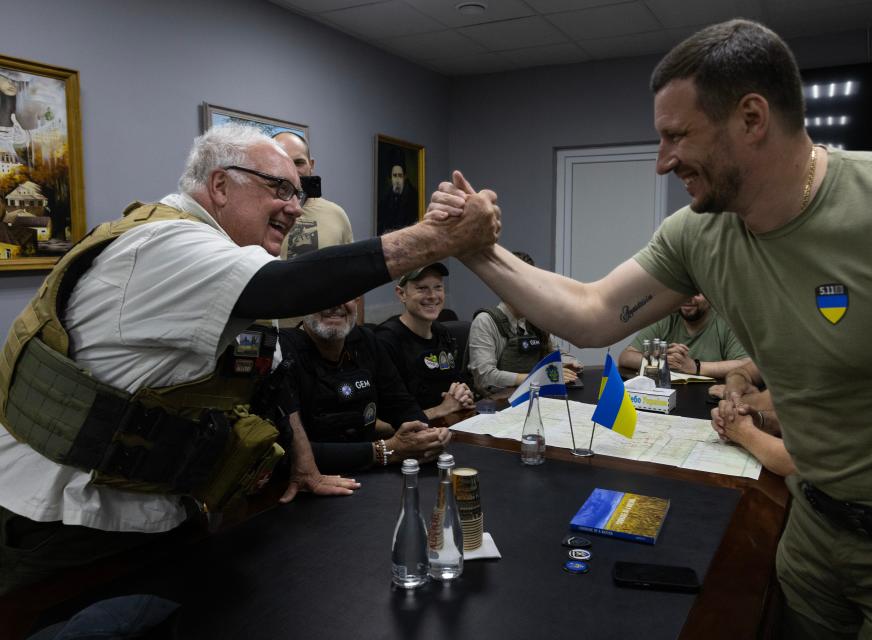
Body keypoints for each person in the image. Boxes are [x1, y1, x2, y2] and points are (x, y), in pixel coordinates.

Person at [428, 19, 872, 638]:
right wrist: (475, 249)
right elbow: (593, 313)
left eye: (677, 136)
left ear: (752, 118)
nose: (662, 162)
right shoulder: (700, 234)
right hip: (813, 536)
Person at [0, 123, 499, 594]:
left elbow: (268, 371)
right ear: (220, 185)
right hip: (66, 525)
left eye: (298, 194)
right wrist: (438, 239)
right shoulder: (167, 245)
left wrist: (303, 462)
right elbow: (293, 286)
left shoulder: (222, 264)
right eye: (280, 190)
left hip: (152, 510)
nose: (295, 209)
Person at [261, 297, 451, 473]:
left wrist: (425, 436)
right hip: (304, 486)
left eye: (346, 293)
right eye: (323, 293)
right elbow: (286, 451)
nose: (335, 303)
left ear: (357, 301)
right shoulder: (279, 352)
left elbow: (401, 404)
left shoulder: (366, 341)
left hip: (372, 480)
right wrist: (385, 450)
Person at [272, 131, 362, 326]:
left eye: (299, 162)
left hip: (322, 334)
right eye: (283, 161)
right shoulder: (257, 213)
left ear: (311, 165)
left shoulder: (336, 215)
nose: (292, 170)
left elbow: (353, 279)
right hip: (272, 338)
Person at [468, 251, 578, 395]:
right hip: (498, 403)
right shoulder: (485, 321)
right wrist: (538, 377)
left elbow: (560, 354)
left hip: (534, 396)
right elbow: (485, 378)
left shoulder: (534, 320)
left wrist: (565, 364)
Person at [375, 263, 475, 419]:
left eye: (438, 287)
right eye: (422, 288)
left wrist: (464, 395)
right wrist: (441, 409)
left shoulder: (442, 333)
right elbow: (384, 418)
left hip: (451, 425)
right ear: (401, 294)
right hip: (412, 437)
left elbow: (458, 384)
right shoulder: (386, 341)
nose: (433, 296)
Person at [618, 293, 750, 378]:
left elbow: (748, 365)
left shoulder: (726, 322)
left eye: (697, 293)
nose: (688, 298)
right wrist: (660, 361)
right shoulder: (665, 317)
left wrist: (695, 367)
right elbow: (626, 357)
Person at [377, 159, 418, 233]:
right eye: (395, 176)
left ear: (404, 177)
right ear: (391, 178)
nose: (397, 180)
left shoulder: (413, 196)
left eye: (400, 175)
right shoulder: (386, 198)